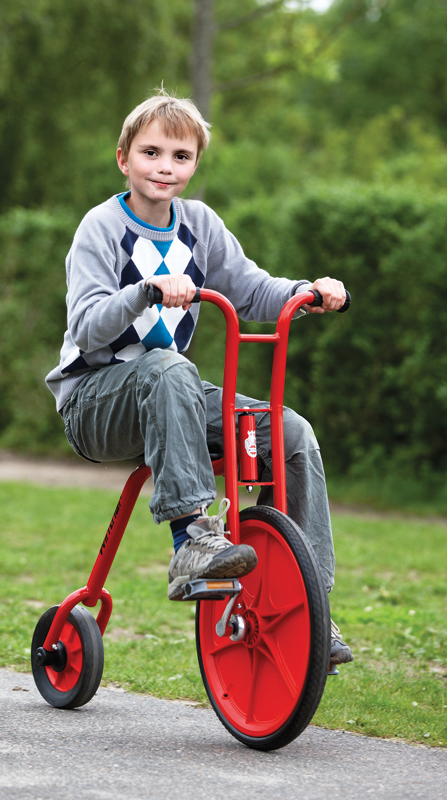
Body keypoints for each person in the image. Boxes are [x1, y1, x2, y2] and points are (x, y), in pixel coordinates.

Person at [45, 89, 353, 667]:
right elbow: (87, 328)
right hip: (94, 400)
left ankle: (308, 606)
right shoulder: (101, 227)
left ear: (194, 164)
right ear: (123, 159)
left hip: (173, 394)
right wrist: (143, 291)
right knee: (168, 366)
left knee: (287, 433)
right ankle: (192, 540)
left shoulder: (200, 225)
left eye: (181, 157)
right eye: (151, 153)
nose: (165, 167)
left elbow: (251, 287)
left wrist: (307, 293)